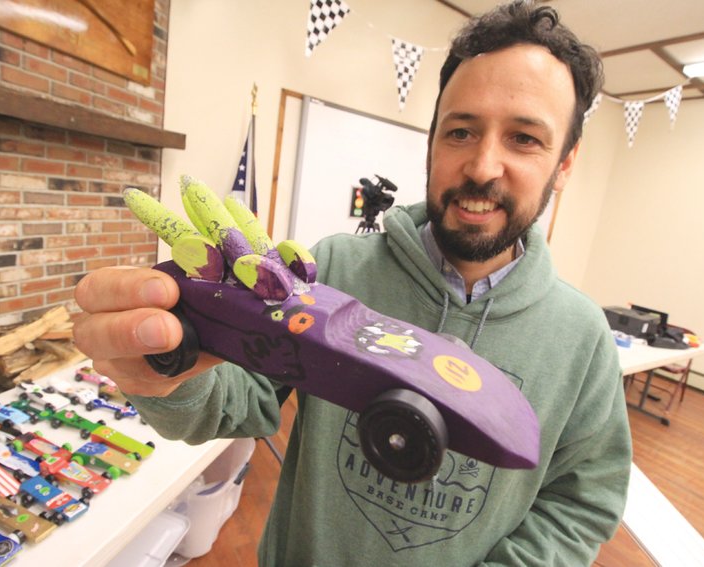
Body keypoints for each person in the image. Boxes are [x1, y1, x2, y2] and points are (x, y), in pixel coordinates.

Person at [73, 1, 632, 565]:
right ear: (432, 140)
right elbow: (235, 402)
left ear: (565, 162)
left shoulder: (583, 338)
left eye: (525, 139)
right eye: (460, 131)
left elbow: (582, 503)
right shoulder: (337, 266)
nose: (484, 166)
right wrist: (164, 373)